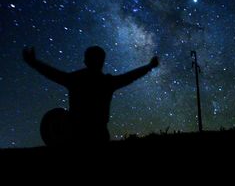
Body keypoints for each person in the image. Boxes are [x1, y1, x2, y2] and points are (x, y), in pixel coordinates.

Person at [23, 46, 159, 145]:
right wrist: (149, 67)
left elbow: (52, 73)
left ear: (86, 61)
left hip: (75, 136)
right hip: (98, 135)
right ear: (102, 62)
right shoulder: (107, 82)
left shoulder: (75, 79)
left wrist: (34, 63)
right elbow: (130, 76)